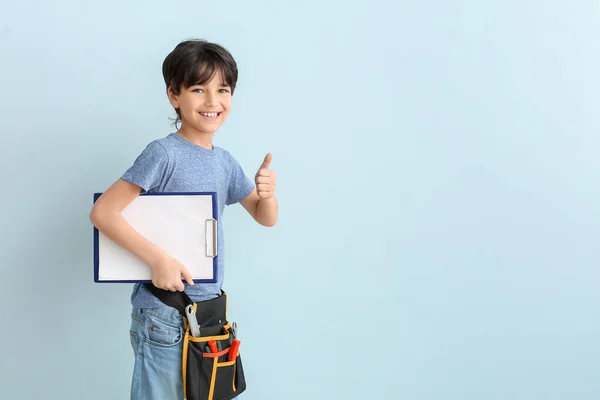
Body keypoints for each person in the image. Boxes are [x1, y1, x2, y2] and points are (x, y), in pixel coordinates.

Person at [89, 39, 278, 399]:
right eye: (198, 89)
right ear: (174, 95)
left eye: (222, 90)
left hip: (208, 316)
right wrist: (158, 259)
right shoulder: (163, 154)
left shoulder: (224, 161)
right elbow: (103, 213)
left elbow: (264, 217)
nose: (212, 101)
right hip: (164, 314)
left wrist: (267, 195)